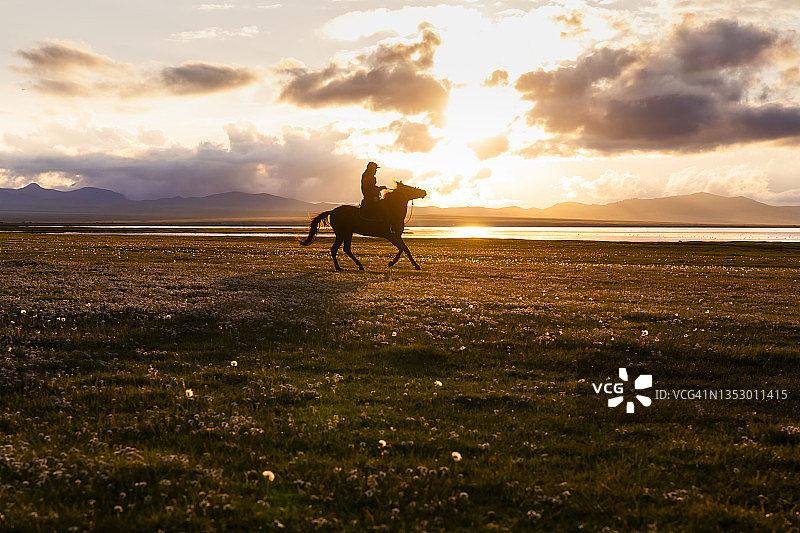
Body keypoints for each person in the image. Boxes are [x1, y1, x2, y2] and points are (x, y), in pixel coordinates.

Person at [359, 162, 394, 235]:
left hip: (371, 196)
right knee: (383, 209)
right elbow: (369, 188)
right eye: (375, 169)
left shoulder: (367, 176)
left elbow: (372, 187)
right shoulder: (369, 177)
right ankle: (384, 228)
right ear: (371, 169)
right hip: (370, 197)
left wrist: (379, 188)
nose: (376, 171)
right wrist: (379, 189)